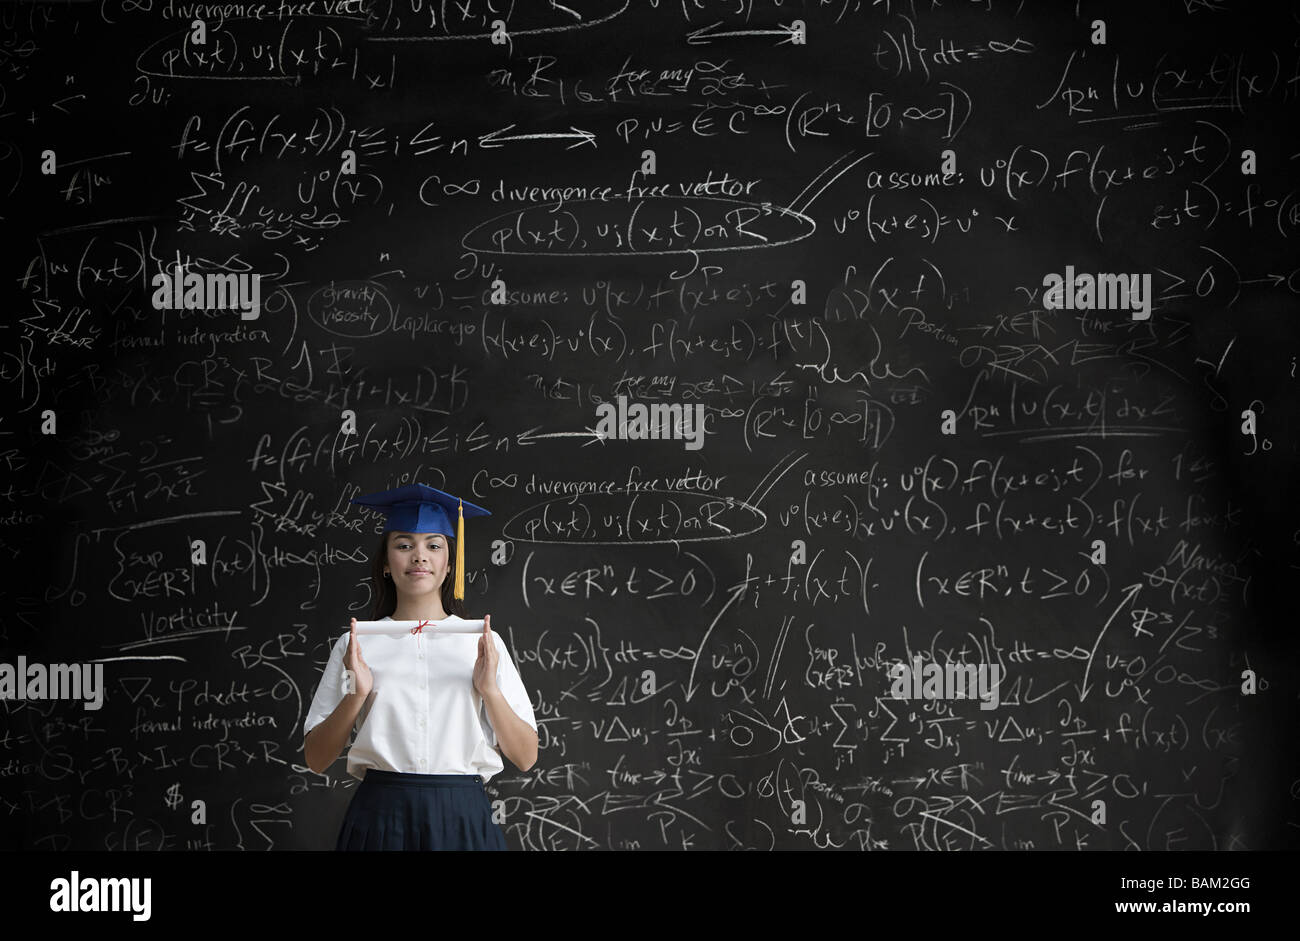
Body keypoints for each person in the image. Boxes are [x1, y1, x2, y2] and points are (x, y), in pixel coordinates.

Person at [302, 483, 539, 850]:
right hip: (380, 815)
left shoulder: (482, 643)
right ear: (385, 562)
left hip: (463, 815)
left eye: (433, 545)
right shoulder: (357, 643)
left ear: (449, 565)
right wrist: (356, 695)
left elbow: (525, 757)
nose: (419, 556)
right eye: (403, 545)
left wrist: (489, 690)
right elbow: (316, 758)